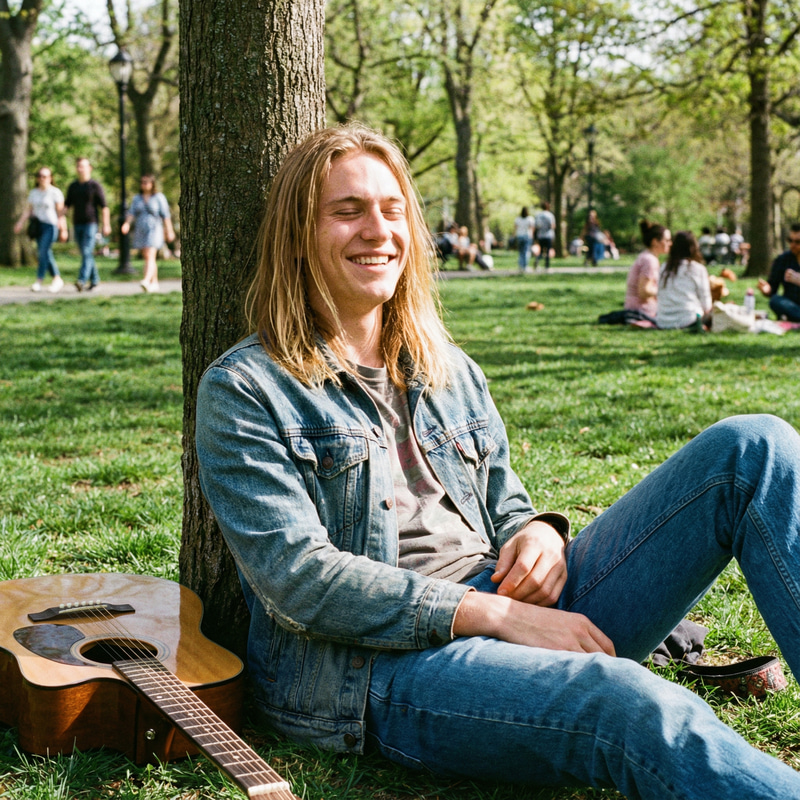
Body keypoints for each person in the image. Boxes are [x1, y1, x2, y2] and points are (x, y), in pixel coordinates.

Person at [195, 123, 800, 800]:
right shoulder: (246, 389)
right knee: (628, 703)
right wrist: (497, 617)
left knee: (757, 447)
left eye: (393, 211)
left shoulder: (445, 366)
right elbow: (299, 579)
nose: (377, 231)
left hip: (515, 602)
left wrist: (538, 532)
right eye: (347, 211)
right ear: (298, 235)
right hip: (380, 667)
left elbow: (502, 499)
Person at [13, 167, 67, 293]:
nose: (42, 179)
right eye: (39, 176)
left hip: (51, 226)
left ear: (50, 178)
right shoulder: (34, 193)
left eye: (45, 176)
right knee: (45, 253)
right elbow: (28, 210)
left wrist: (63, 229)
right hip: (38, 227)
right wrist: (20, 223)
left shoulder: (55, 192)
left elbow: (60, 213)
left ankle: (39, 281)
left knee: (43, 251)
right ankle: (57, 278)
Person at [120, 174, 175, 292]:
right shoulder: (137, 198)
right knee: (148, 257)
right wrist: (126, 224)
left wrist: (169, 230)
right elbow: (131, 213)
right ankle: (154, 283)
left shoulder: (159, 197)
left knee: (150, 254)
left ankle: (145, 280)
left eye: (146, 182)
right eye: (142, 182)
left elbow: (166, 215)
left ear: (152, 184)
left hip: (155, 229)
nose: (144, 185)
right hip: (141, 229)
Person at [64, 157, 111, 292]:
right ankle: (95, 281)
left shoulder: (95, 186)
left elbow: (104, 207)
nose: (80, 169)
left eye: (83, 166)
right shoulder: (73, 186)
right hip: (77, 224)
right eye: (78, 166)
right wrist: (58, 220)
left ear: (89, 168)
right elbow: (67, 205)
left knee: (86, 251)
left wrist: (106, 224)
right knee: (87, 254)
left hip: (91, 223)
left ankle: (81, 280)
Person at [656, 230, 712, 330]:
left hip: (662, 321)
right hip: (689, 319)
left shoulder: (664, 267)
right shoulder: (697, 269)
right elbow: (706, 303)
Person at [623, 220, 671, 327]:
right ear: (655, 242)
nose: (670, 243)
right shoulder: (649, 260)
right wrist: (666, 291)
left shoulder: (647, 257)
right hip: (641, 311)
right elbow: (644, 291)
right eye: (667, 240)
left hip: (634, 309)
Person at [757, 222, 800, 322]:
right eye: (790, 241)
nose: (792, 245)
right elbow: (773, 288)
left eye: (798, 242)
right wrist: (766, 289)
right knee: (775, 300)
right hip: (791, 305)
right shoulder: (783, 260)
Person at [533, 201, 555, 271]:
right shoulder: (550, 215)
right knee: (548, 251)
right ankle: (547, 266)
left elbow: (536, 226)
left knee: (541, 251)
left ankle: (537, 259)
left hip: (541, 235)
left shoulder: (538, 215)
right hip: (548, 235)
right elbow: (552, 226)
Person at [513, 206, 534, 272]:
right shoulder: (530, 219)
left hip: (519, 236)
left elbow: (515, 228)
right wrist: (532, 236)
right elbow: (531, 228)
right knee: (526, 251)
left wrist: (514, 235)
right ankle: (525, 266)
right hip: (527, 236)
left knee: (521, 252)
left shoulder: (518, 219)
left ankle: (521, 266)